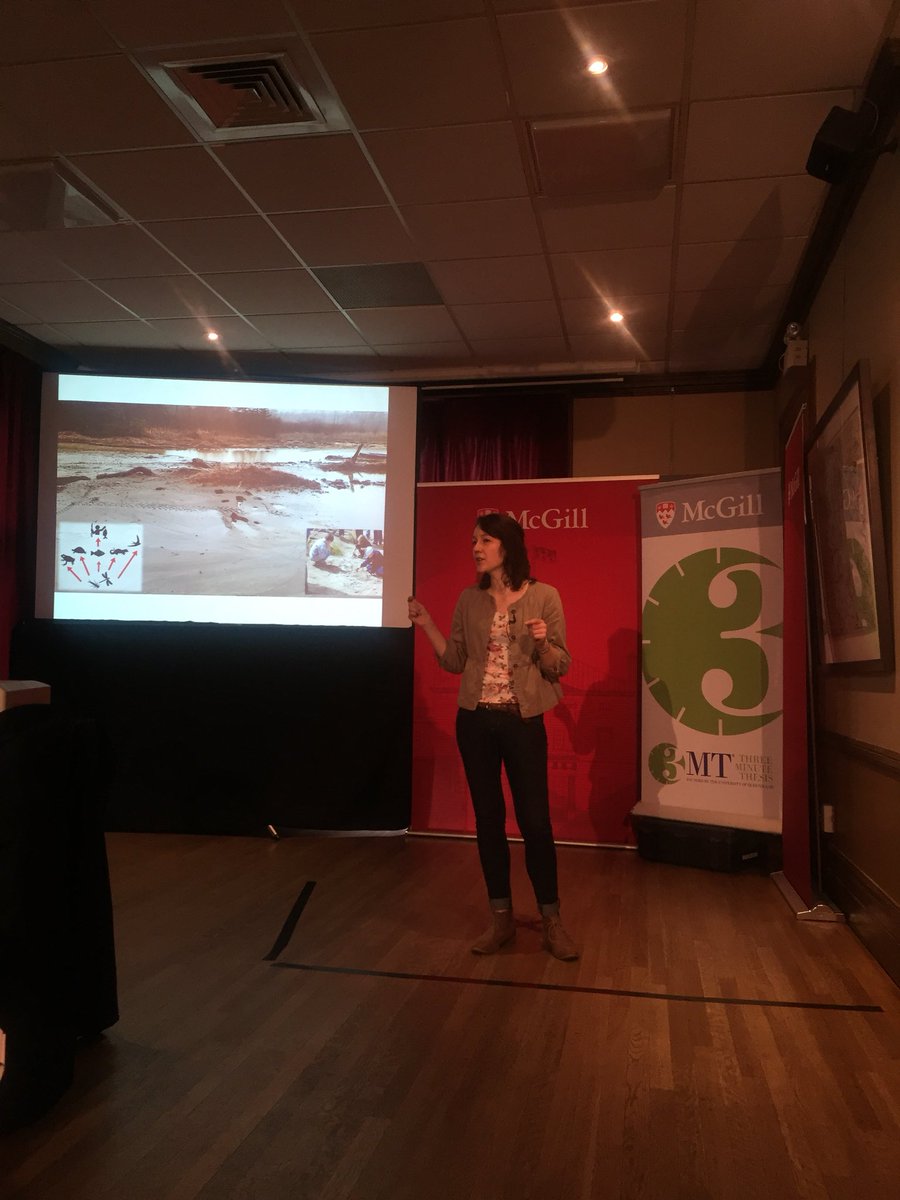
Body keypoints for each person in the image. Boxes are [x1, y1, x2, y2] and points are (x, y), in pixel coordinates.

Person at [407, 513, 578, 961]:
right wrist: (426, 624)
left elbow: (559, 666)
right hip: (476, 722)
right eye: (473, 541)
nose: (476, 548)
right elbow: (453, 661)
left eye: (484, 540)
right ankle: (500, 918)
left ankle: (551, 921)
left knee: (536, 822)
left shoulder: (545, 596)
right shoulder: (470, 599)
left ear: (507, 546)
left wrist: (543, 642)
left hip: (523, 721)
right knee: (487, 820)